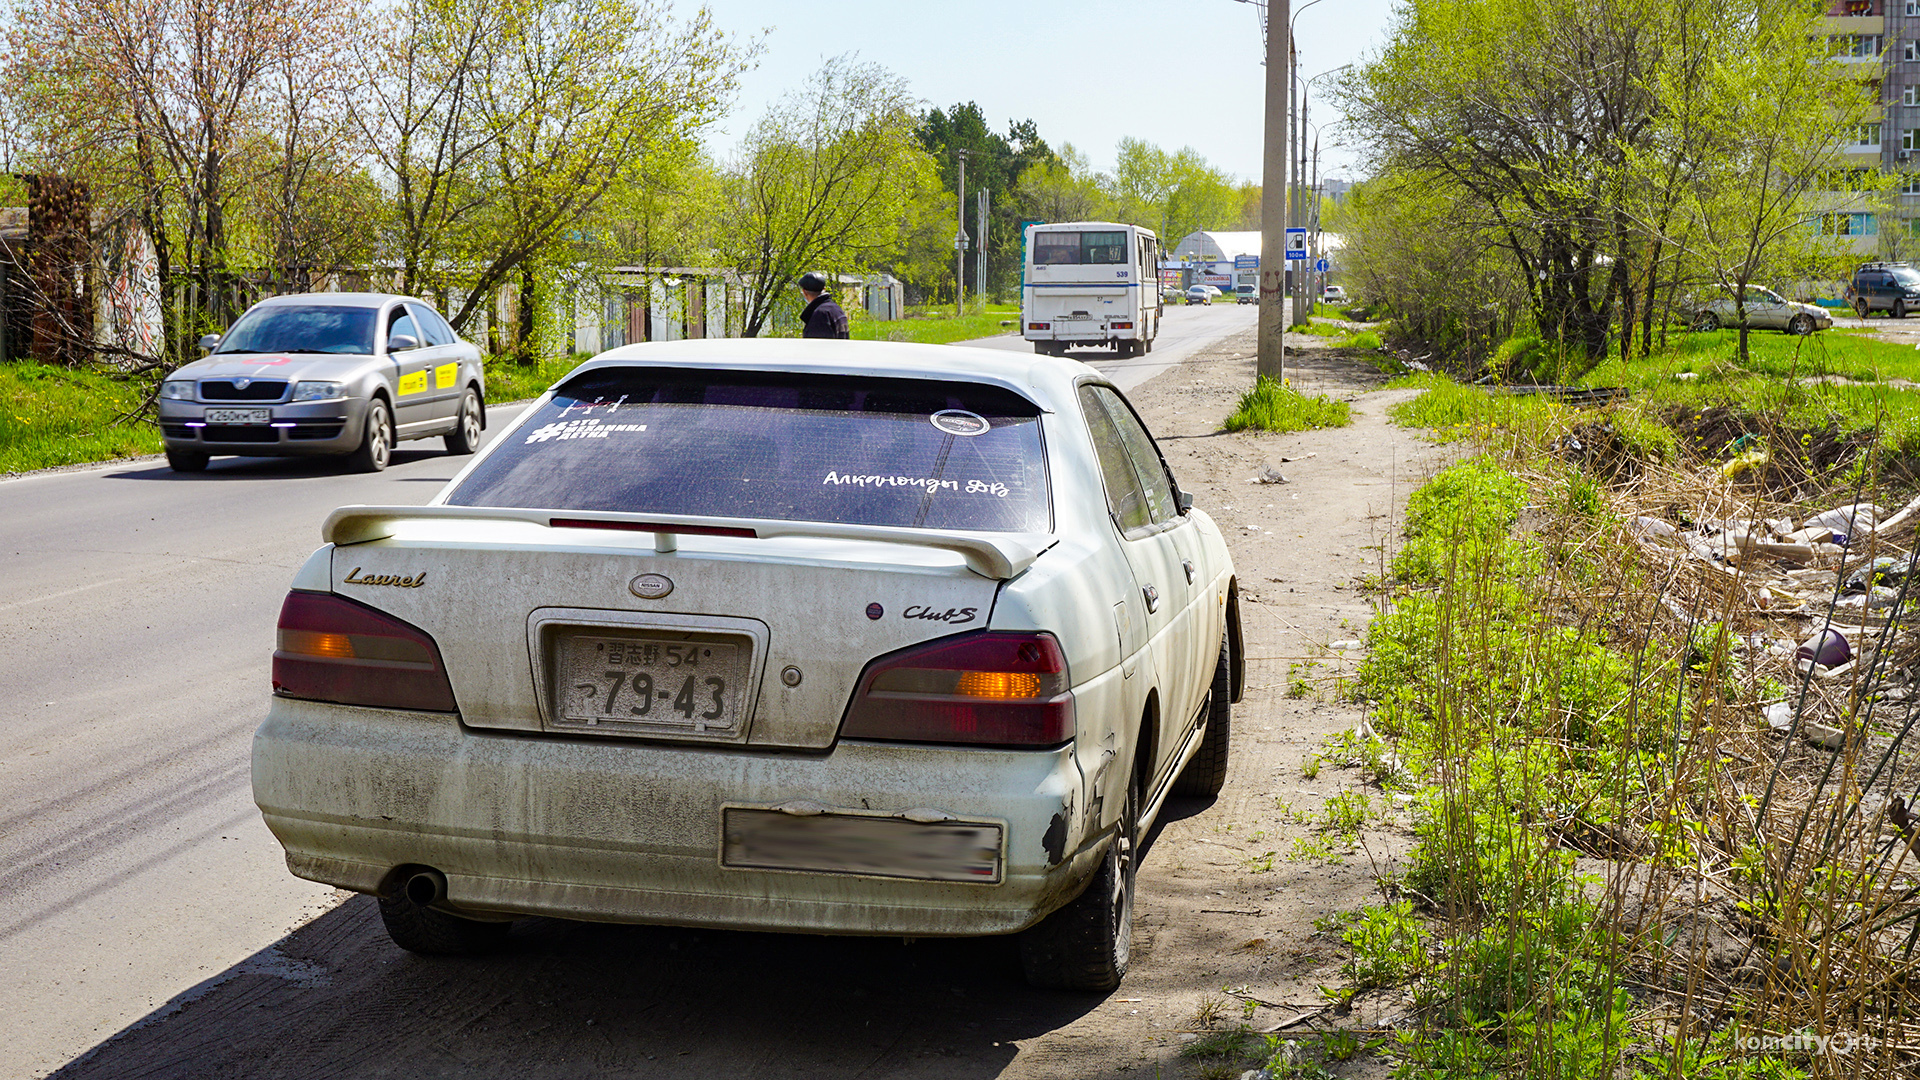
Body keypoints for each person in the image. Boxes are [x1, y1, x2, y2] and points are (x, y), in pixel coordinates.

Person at [798, 273, 850, 339]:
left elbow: (817, 346)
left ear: (804, 292)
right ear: (824, 289)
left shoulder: (820, 315)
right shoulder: (836, 309)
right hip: (842, 349)